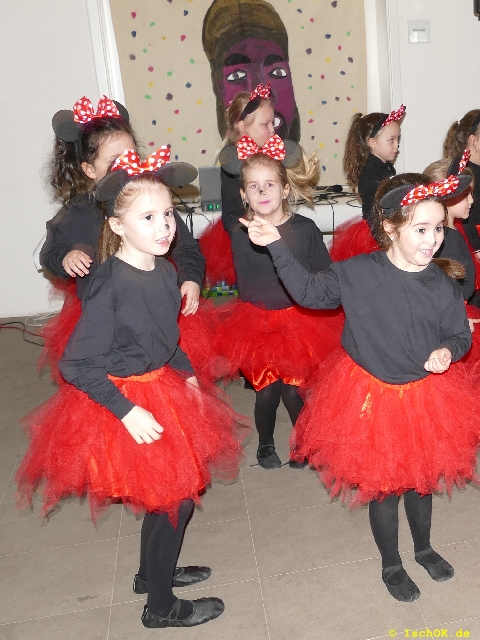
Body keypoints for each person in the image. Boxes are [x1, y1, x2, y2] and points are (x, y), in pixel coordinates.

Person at [17, 150, 248, 628]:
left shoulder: (163, 270)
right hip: (123, 400)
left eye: (168, 214)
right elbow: (77, 363)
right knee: (174, 497)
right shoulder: (112, 286)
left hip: (160, 384)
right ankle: (160, 607)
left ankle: (151, 574)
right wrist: (126, 410)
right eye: (148, 217)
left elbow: (165, 337)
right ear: (117, 226)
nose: (164, 227)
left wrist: (186, 373)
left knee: (172, 496)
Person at [241, 172, 480, 601]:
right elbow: (310, 293)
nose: (432, 240)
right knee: (384, 485)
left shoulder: (442, 283)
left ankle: (424, 549)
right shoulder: (357, 273)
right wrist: (276, 245)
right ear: (390, 227)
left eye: (439, 229)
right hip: (371, 395)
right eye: (421, 229)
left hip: (425, 396)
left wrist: (448, 349)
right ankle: (392, 564)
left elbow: (460, 333)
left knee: (421, 479)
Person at [39, 95, 206, 383]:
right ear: (89, 170)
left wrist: (190, 277)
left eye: (131, 155)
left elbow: (187, 248)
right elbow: (49, 254)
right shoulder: (75, 214)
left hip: (152, 308)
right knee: (111, 383)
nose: (126, 165)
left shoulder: (152, 203)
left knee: (163, 379)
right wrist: (64, 257)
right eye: (115, 161)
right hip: (103, 316)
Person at [214, 144, 343, 470]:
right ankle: (266, 442)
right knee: (267, 393)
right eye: (253, 186)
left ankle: (303, 442)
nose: (261, 192)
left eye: (269, 184)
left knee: (293, 393)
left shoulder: (305, 229)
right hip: (256, 325)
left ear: (285, 189)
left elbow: (323, 273)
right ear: (244, 195)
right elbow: (228, 193)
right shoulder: (239, 231)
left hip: (300, 323)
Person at [199, 83, 316, 287]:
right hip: (248, 233)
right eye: (265, 124)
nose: (272, 130)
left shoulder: (270, 153)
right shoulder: (234, 162)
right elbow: (231, 213)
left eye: (273, 123)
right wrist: (246, 239)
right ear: (243, 126)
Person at [202, 0, 300, 142]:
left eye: (277, 72)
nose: (261, 92)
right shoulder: (231, 155)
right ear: (219, 87)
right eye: (237, 75)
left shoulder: (298, 155)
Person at [329, 105, 405, 261]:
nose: (396, 145)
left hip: (387, 226)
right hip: (376, 233)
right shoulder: (370, 175)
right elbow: (372, 213)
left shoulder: (386, 167)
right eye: (391, 140)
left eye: (398, 139)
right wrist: (386, 241)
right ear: (372, 142)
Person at [443, 109, 480, 255]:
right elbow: (467, 217)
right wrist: (477, 248)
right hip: (473, 239)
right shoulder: (463, 170)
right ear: (473, 139)